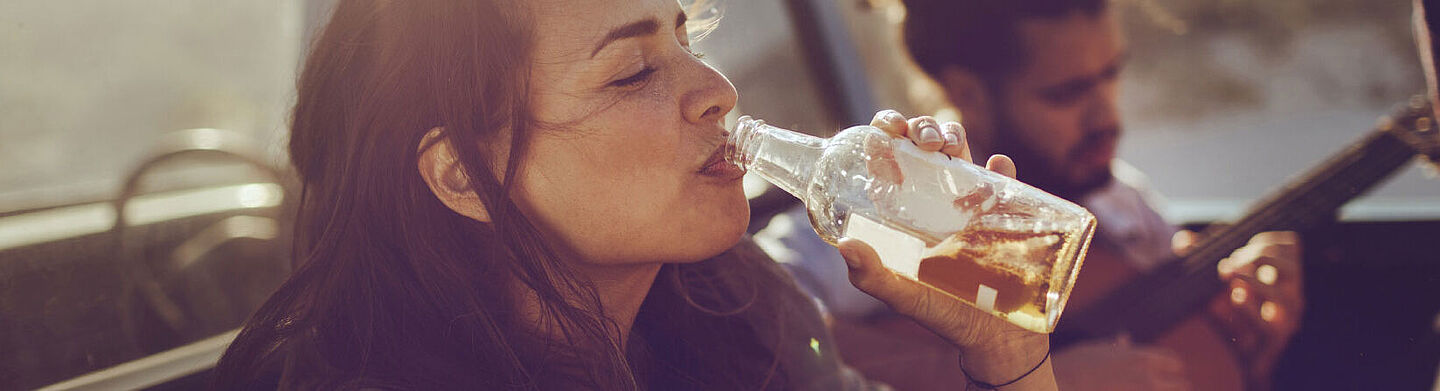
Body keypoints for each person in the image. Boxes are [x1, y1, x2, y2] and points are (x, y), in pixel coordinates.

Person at [211, 0, 1058, 389]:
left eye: (685, 37)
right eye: (633, 71)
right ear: (464, 175)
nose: (719, 90)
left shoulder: (746, 315)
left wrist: (1003, 350)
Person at [762, 0, 1305, 389]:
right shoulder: (873, 209)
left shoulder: (1121, 200)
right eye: (1066, 93)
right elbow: (769, 333)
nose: (1107, 116)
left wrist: (1252, 321)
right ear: (969, 92)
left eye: (1109, 76)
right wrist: (1030, 374)